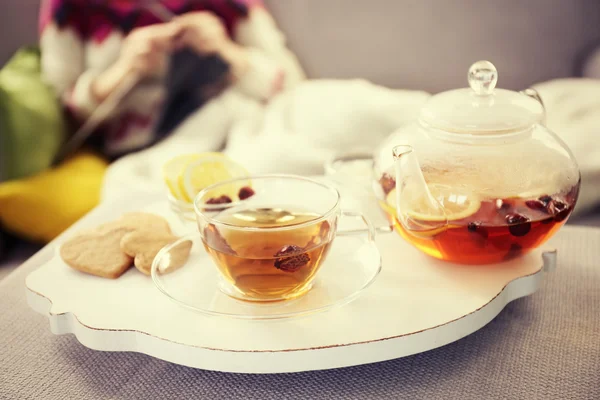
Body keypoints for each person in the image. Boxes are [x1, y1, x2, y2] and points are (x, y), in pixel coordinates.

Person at [39, 0, 306, 158]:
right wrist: (123, 70)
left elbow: (294, 86)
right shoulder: (71, 8)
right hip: (141, 154)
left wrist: (227, 51)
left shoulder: (234, 5)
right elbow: (60, 115)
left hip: (237, 140)